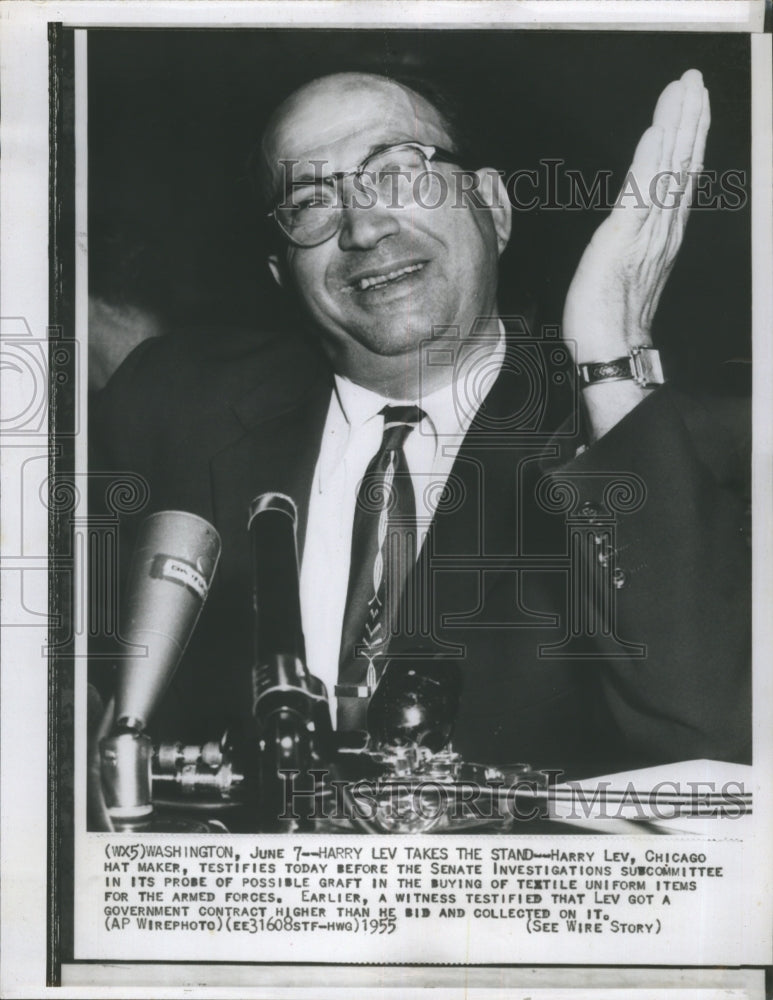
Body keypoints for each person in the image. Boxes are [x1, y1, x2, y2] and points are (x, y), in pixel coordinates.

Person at [91, 68, 750, 779]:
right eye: (311, 200)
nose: (365, 227)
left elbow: (714, 744)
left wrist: (609, 354)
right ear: (283, 271)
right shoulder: (167, 405)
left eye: (400, 172)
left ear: (493, 207)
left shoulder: (670, 447)